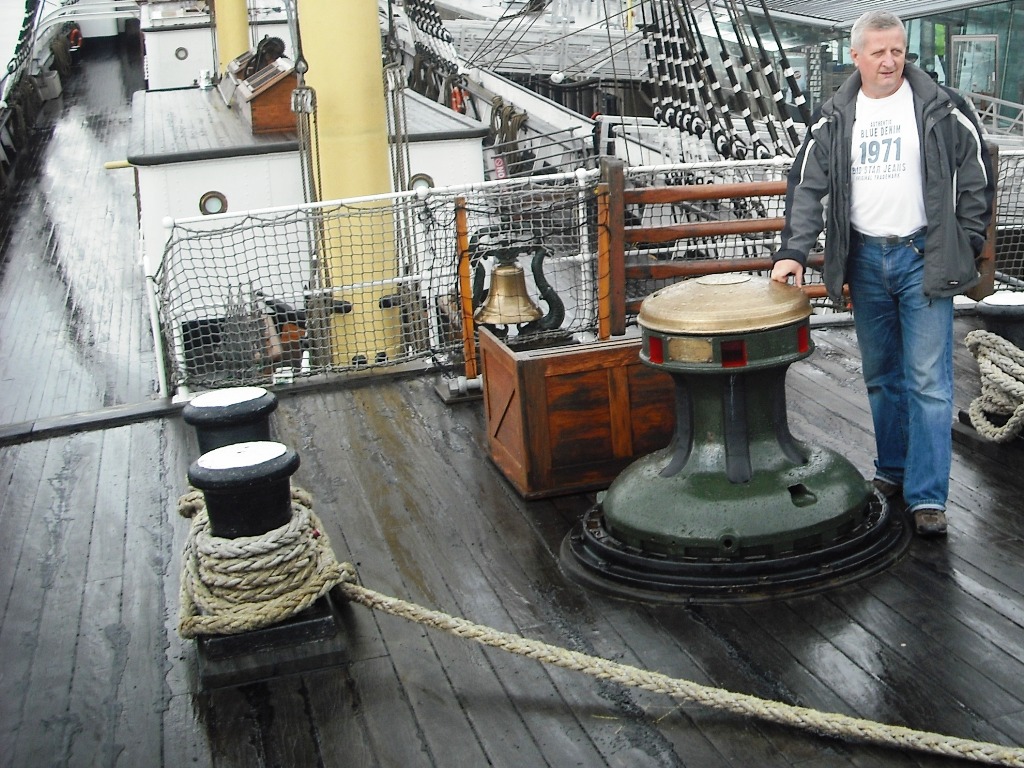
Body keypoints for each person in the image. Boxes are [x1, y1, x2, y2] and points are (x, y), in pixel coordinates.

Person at [770, 10, 994, 537]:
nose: (890, 61)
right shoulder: (835, 116)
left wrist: (966, 243)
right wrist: (794, 252)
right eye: (879, 52)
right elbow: (807, 186)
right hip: (865, 260)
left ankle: (927, 496)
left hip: (925, 257)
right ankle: (892, 469)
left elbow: (976, 175)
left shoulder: (942, 107)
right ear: (857, 56)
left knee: (929, 382)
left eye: (898, 50)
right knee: (881, 378)